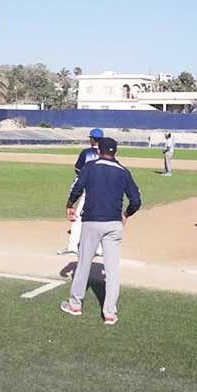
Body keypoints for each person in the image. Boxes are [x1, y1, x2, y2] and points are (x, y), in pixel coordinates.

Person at [60, 137, 142, 325]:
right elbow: (136, 201)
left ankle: (75, 304)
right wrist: (126, 214)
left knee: (83, 264)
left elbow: (77, 188)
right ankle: (110, 313)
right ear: (116, 153)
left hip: (92, 221)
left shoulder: (90, 167)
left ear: (98, 151)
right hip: (114, 224)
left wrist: (70, 205)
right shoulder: (124, 172)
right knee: (112, 269)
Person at [57, 128, 104, 256]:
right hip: (103, 190)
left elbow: (77, 170)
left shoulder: (86, 152)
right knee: (100, 218)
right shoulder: (106, 153)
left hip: (87, 188)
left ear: (92, 139)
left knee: (78, 218)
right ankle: (99, 249)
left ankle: (72, 246)